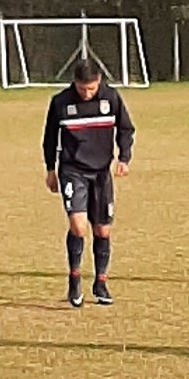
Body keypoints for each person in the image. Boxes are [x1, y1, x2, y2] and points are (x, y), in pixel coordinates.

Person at [41, 55, 134, 307]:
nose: (87, 93)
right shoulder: (60, 102)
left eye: (91, 88)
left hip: (102, 172)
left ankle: (100, 283)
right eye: (82, 88)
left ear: (99, 81)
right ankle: (74, 279)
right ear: (75, 84)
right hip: (72, 170)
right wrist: (50, 168)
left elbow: (126, 129)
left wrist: (124, 157)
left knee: (102, 230)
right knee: (78, 227)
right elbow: (50, 137)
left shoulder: (111, 98)